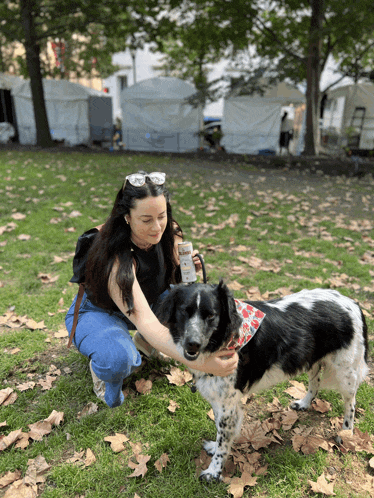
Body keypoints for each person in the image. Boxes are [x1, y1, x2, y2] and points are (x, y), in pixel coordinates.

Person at [65, 171, 238, 408]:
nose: (157, 227)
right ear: (127, 217)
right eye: (146, 220)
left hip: (148, 301)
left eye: (162, 216)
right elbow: (145, 320)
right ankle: (107, 371)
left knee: (184, 307)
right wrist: (202, 363)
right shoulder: (116, 258)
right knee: (118, 359)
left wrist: (185, 268)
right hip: (100, 312)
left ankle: (144, 345)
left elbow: (181, 286)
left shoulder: (169, 233)